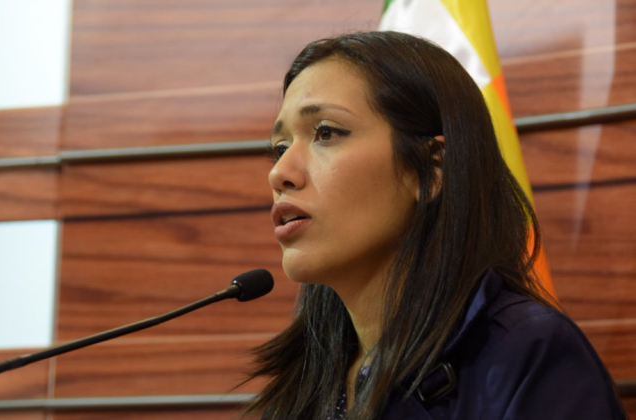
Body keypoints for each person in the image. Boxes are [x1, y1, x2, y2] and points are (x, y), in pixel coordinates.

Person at [243, 31, 627, 420]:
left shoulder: (529, 355)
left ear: (431, 169)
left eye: (325, 132)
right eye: (279, 148)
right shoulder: (298, 389)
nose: (280, 172)